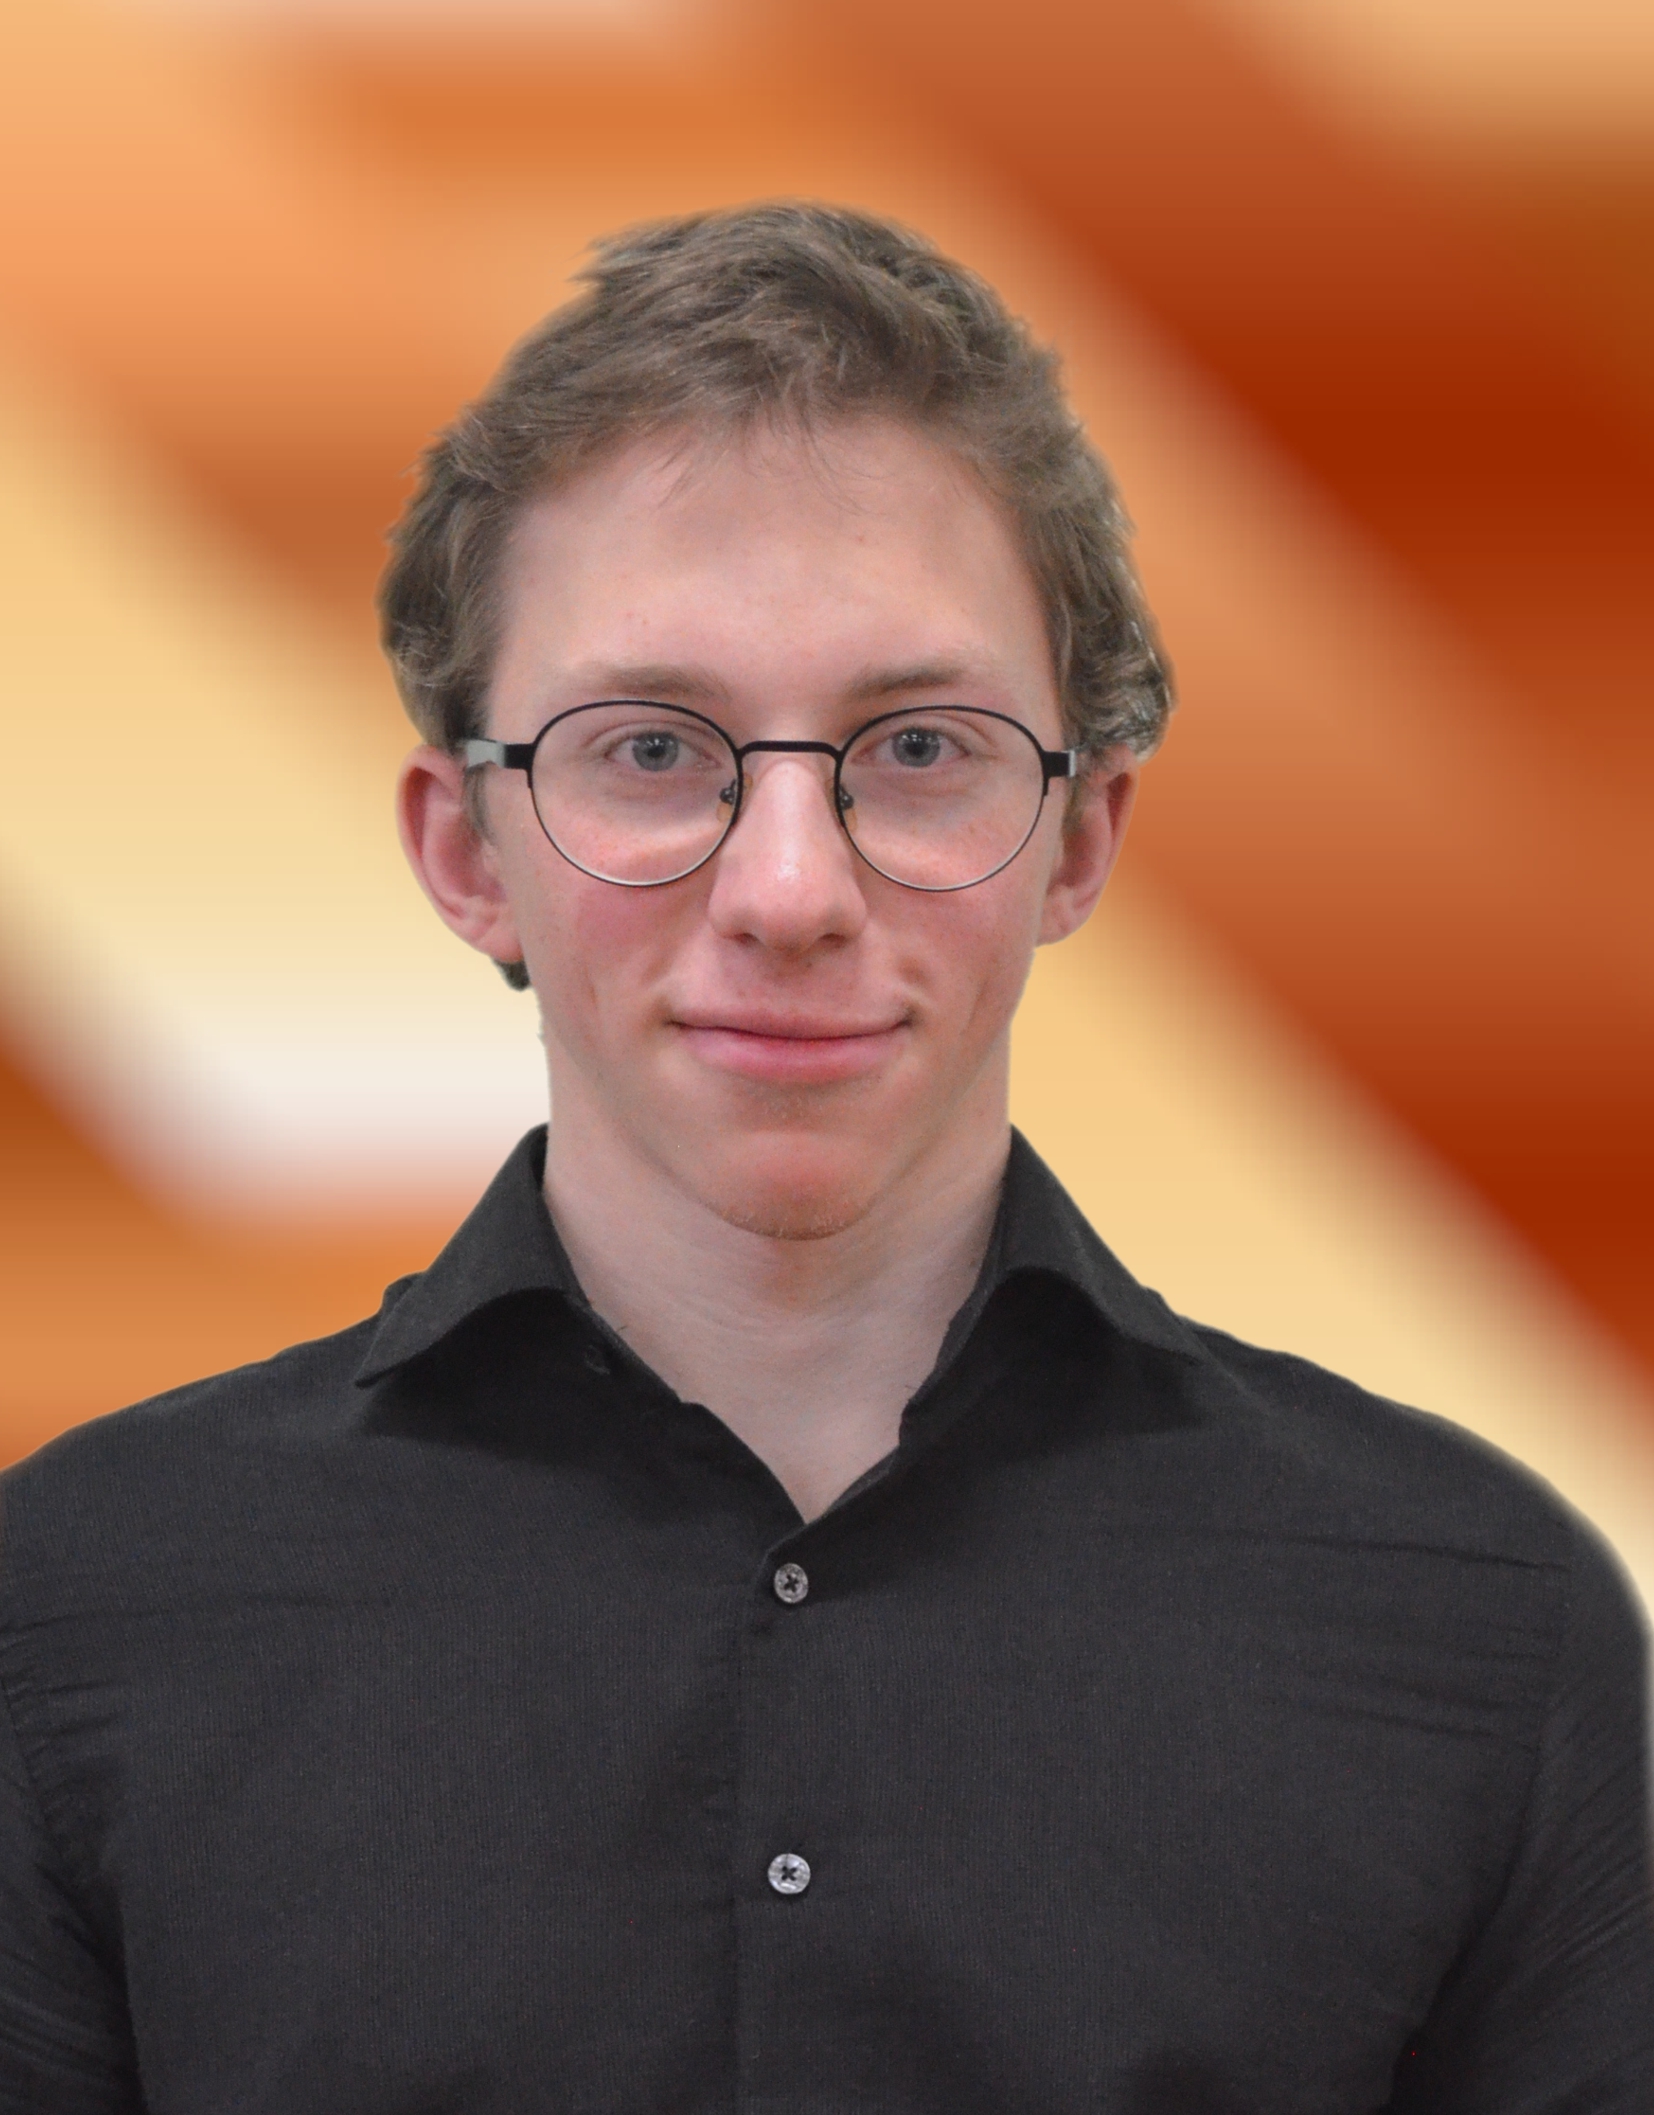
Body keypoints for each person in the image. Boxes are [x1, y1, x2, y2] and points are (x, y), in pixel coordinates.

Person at [1, 204, 1649, 2113]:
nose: (788, 892)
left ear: (1078, 840)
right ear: (467, 853)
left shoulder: (1477, 1618)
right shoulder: (75, 1606)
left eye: (920, 747)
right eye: (650, 749)